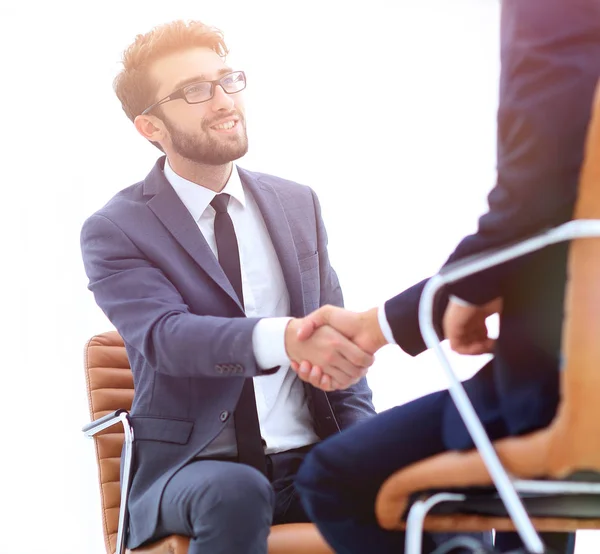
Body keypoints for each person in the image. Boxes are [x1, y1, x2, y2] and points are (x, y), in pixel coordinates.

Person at [292, 0, 600, 552]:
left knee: (338, 480)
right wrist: (384, 322)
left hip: (570, 395)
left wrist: (461, 292)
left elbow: (534, 201)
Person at [80, 20, 377, 554]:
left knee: (436, 473)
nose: (222, 101)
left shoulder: (296, 204)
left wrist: (367, 443)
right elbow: (168, 338)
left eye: (227, 80)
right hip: (193, 471)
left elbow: (336, 345)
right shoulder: (116, 229)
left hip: (311, 461)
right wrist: (282, 337)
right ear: (151, 127)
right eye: (195, 91)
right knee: (235, 491)